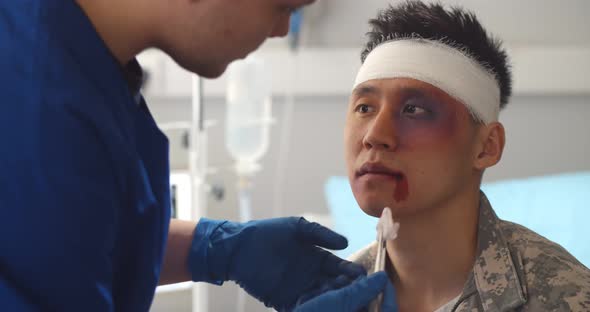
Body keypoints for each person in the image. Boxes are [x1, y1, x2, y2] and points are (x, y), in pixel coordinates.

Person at [0, 0, 394, 311]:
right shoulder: (38, 109)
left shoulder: (78, 59)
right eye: (282, 8)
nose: (279, 31)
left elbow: (74, 236)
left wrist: (216, 248)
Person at [343, 1, 590, 311]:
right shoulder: (335, 295)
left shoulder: (566, 297)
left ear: (487, 146)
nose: (374, 135)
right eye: (365, 108)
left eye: (414, 109)